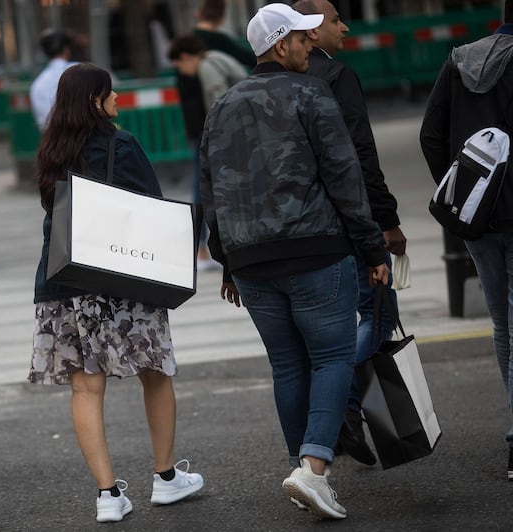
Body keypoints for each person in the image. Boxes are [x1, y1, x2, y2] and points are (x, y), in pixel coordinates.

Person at [200, 4, 389, 519]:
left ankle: (301, 471)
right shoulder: (311, 93)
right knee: (330, 358)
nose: (311, 47)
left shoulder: (222, 106)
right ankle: (312, 471)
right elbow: (343, 176)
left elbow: (211, 187)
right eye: (304, 41)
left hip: (251, 263)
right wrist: (372, 247)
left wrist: (226, 261)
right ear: (281, 46)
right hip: (315, 250)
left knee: (287, 366)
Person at [28, 62, 203, 524]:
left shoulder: (51, 150)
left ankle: (108, 495)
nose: (118, 99)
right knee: (154, 373)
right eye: (111, 92)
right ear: (94, 100)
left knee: (85, 388)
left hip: (62, 282)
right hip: (120, 280)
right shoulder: (120, 144)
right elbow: (150, 206)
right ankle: (166, 480)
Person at [292, 0, 407, 466]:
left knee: (328, 330)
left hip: (303, 224)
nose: (346, 26)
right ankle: (340, 404)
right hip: (349, 221)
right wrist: (386, 220)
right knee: (378, 314)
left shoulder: (282, 81)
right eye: (336, 19)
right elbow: (361, 153)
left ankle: (346, 412)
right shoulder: (337, 77)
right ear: (313, 33)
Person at [420, 0, 513, 481]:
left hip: (478, 221)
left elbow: (430, 134)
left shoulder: (461, 60)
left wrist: (461, 199)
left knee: (503, 324)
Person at [175, 0, 256, 271]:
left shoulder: (190, 47)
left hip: (201, 132)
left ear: (198, 13)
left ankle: (201, 248)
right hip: (216, 132)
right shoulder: (219, 45)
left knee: (203, 190)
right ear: (221, 15)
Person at [168, 34, 248, 111]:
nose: (182, 72)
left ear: (185, 57)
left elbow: (219, 106)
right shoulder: (212, 57)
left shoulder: (207, 66)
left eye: (179, 66)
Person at [29, 29, 78, 131]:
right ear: (66, 50)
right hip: (82, 138)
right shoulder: (80, 70)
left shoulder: (37, 84)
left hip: (52, 141)